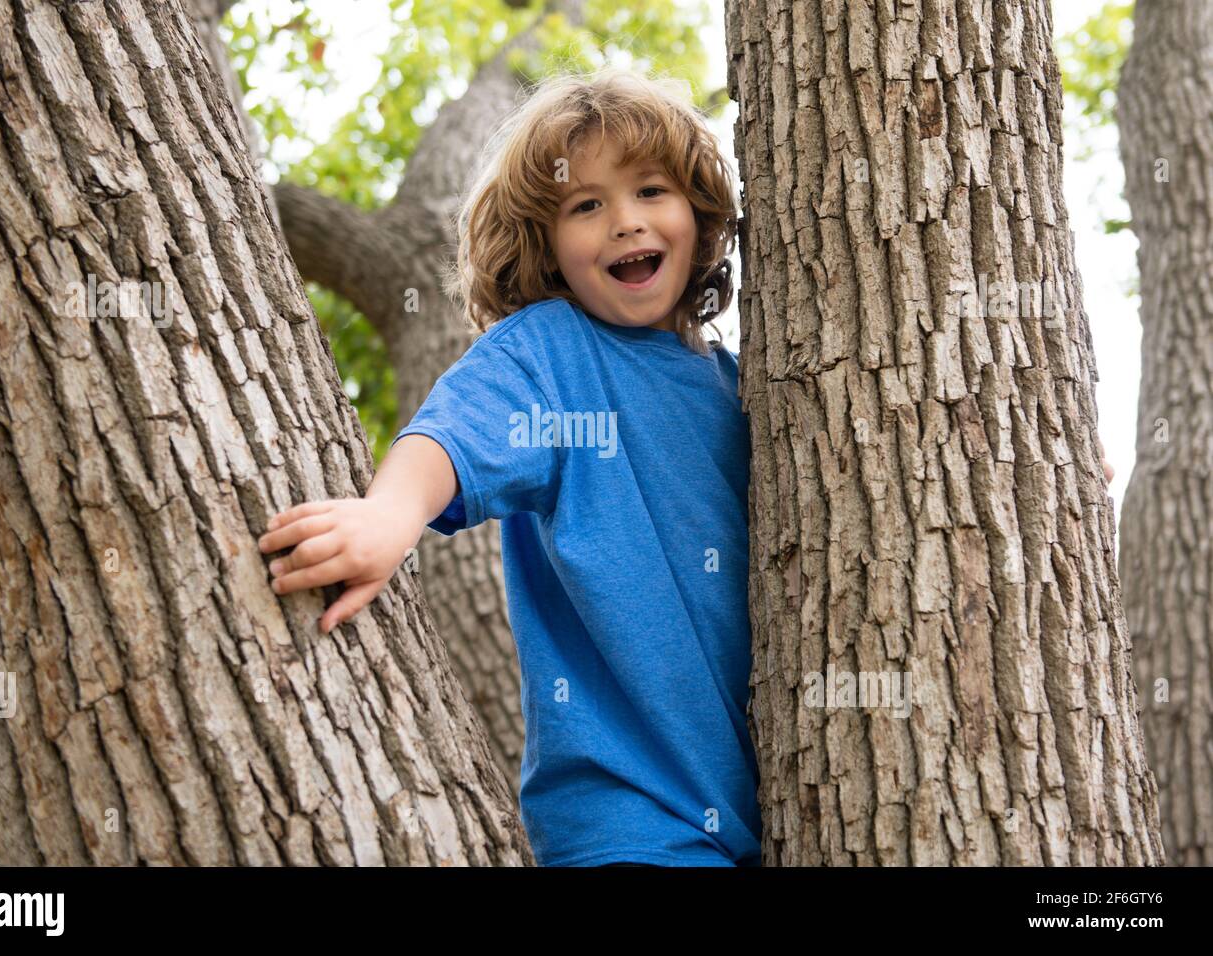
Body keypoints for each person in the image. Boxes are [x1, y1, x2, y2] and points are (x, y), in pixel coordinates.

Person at [257, 68, 1118, 867]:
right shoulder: (554, 353)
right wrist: (387, 518)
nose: (626, 219)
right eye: (586, 204)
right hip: (632, 819)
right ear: (547, 245)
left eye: (651, 191)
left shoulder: (754, 384)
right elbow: (451, 435)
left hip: (781, 810)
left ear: (702, 217)